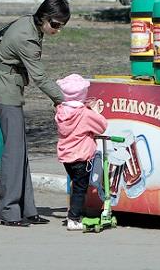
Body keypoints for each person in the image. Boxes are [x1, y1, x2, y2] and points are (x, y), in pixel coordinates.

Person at [0, 0, 70, 227]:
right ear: (43, 17)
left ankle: (26, 209)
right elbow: (40, 77)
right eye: (55, 25)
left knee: (19, 149)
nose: (58, 30)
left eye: (62, 26)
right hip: (5, 89)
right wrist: (65, 100)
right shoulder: (27, 38)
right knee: (13, 152)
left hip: (7, 83)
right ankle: (9, 211)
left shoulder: (29, 24)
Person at [55, 74, 108, 231]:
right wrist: (96, 112)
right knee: (80, 188)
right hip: (81, 157)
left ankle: (72, 212)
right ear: (83, 94)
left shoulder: (61, 112)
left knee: (74, 185)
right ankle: (73, 219)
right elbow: (101, 126)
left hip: (66, 156)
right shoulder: (85, 114)